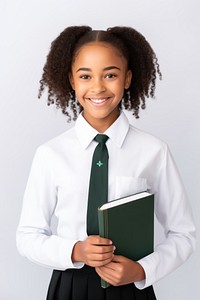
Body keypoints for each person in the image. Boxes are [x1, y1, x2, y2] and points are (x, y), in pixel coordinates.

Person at [16, 26, 196, 300]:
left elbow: (184, 234)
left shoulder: (154, 151)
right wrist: (76, 251)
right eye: (85, 76)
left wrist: (142, 271)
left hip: (131, 287)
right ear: (72, 81)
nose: (98, 87)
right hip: (70, 287)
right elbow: (28, 236)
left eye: (110, 75)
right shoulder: (50, 154)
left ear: (127, 79)